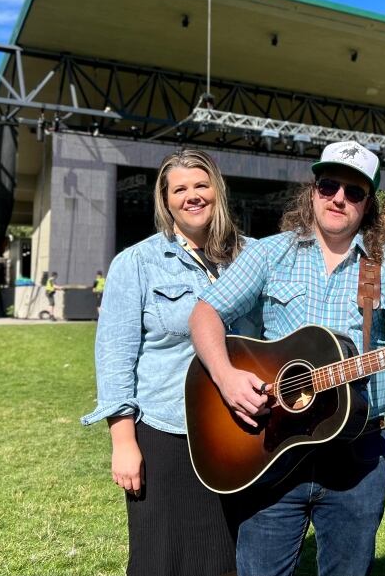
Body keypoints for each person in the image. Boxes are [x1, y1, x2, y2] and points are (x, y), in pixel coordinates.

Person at [189, 141, 385, 576]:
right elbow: (206, 312)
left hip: (357, 454)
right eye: (328, 185)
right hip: (271, 443)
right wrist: (226, 377)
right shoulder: (269, 252)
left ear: (369, 205)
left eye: (354, 192)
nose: (339, 198)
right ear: (313, 191)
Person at [81, 150, 258, 576]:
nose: (192, 196)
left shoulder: (253, 256)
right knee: (161, 556)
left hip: (242, 431)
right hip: (166, 429)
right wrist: (124, 442)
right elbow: (115, 357)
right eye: (180, 189)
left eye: (201, 185)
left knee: (226, 555)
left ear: (218, 189)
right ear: (166, 200)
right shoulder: (137, 263)